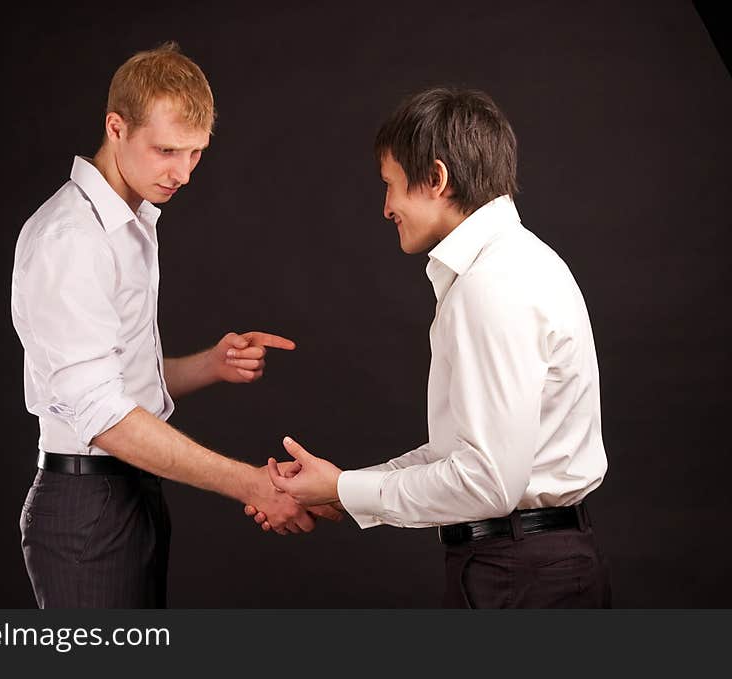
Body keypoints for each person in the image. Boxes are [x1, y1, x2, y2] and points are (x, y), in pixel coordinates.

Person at [249, 87, 612, 608]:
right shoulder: (513, 264)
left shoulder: (492, 285)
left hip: (518, 576)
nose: (386, 208)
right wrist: (341, 487)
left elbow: (487, 483)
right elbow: (462, 457)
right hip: (531, 567)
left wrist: (346, 489)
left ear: (437, 179)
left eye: (390, 186)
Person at [10, 42, 339, 609]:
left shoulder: (129, 223)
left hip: (131, 495)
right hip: (88, 506)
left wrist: (210, 364)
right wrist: (251, 483)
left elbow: (117, 381)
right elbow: (103, 416)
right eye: (166, 150)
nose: (182, 173)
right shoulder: (71, 239)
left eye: (195, 153)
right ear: (116, 127)